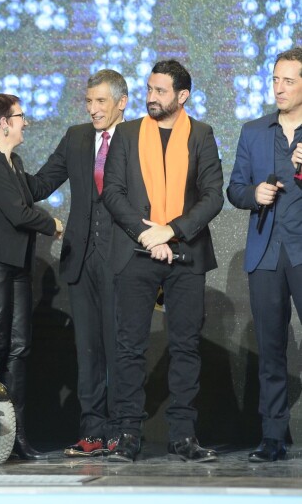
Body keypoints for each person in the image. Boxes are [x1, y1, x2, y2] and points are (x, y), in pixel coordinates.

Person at [103, 60, 223, 463]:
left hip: (185, 251)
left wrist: (169, 231)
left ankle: (183, 436)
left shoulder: (202, 135)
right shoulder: (127, 133)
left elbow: (212, 196)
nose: (151, 97)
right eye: (149, 89)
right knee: (129, 347)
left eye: (160, 91)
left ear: (182, 96)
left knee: (186, 346)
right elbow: (114, 193)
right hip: (137, 251)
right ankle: (127, 433)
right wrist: (147, 234)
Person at [25, 69, 128, 457]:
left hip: (120, 258)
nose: (93, 109)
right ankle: (92, 431)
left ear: (122, 102)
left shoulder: (137, 137)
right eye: (88, 101)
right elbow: (40, 184)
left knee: (119, 348)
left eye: (101, 101)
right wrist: (0, 162)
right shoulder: (76, 137)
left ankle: (120, 428)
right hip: (81, 259)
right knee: (88, 350)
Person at [0, 93, 63, 459]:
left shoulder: (13, 161)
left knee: (20, 346)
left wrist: (67, 157)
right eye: (20, 116)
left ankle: (16, 433)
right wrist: (52, 224)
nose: (26, 122)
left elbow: (33, 190)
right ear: (4, 123)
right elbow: (18, 212)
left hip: (17, 263)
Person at [227, 47, 302, 462]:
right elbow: (234, 187)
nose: (280, 88)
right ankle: (273, 435)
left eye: (289, 80)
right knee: (270, 348)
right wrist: (253, 195)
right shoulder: (254, 131)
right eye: (275, 79)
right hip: (266, 253)